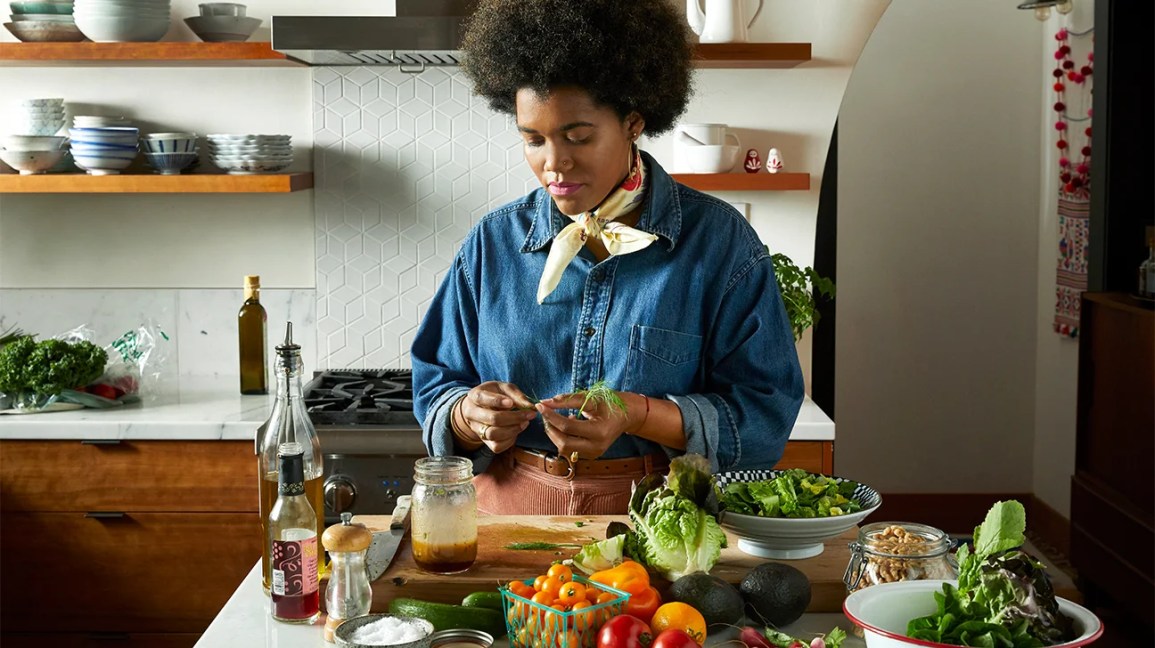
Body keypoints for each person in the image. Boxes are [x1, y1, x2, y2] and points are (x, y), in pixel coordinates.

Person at [411, 0, 804, 515]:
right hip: (504, 515)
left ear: (633, 123)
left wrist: (636, 413)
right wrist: (468, 417)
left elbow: (764, 414)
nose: (554, 163)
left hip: (661, 520)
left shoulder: (720, 243)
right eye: (533, 140)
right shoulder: (492, 243)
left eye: (578, 136)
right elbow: (438, 383)